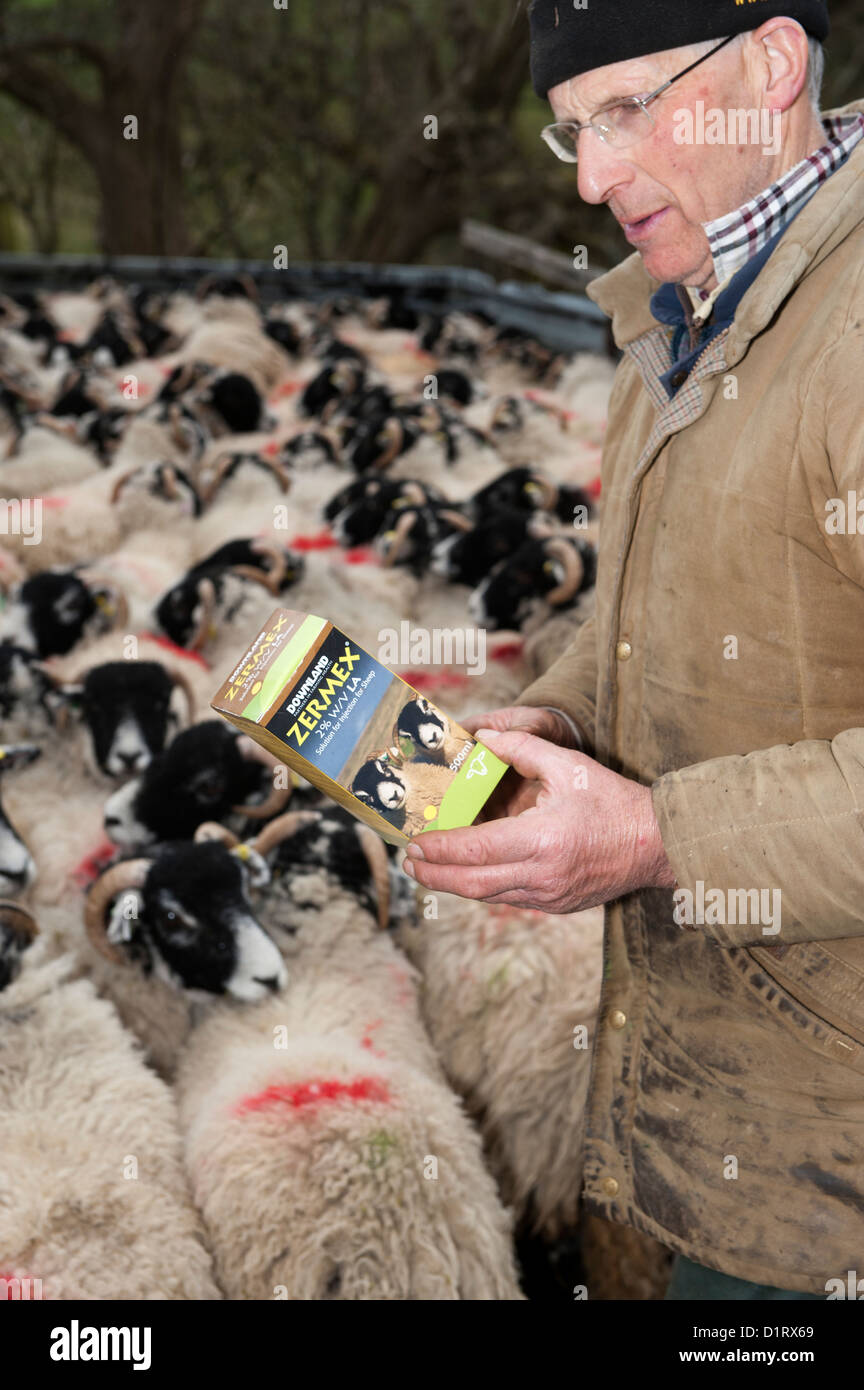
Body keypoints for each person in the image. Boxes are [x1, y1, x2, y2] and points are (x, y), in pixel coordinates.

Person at [401, 0, 864, 1299]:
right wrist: (551, 725)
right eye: (570, 132)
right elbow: (661, 610)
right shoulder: (679, 316)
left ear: (771, 65)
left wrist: (661, 836)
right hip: (705, 1124)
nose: (596, 178)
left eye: (627, 108)